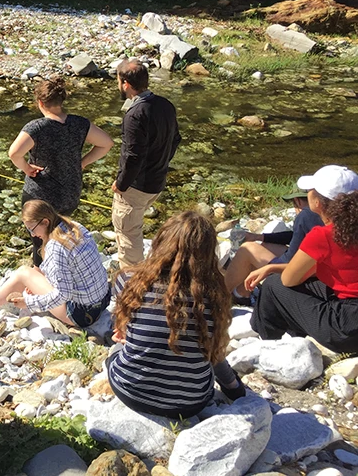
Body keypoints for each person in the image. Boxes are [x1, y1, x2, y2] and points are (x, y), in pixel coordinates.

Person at [108, 212, 244, 418]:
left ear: (161, 242)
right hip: (190, 404)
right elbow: (214, 353)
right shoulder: (214, 297)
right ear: (208, 253)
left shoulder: (129, 281)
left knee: (115, 354)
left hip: (131, 392)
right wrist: (233, 386)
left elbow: (124, 327)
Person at [247, 166, 358, 353]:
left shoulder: (323, 235)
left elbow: (289, 280)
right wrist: (273, 267)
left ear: (317, 203)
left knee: (274, 286)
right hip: (350, 312)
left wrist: (273, 270)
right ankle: (292, 334)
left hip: (346, 329)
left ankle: (267, 345)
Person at [8, 76, 114, 265]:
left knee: (40, 241)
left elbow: (14, 153)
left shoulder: (37, 127)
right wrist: (83, 162)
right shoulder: (80, 124)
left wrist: (26, 168)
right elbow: (106, 144)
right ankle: (61, 269)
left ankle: (42, 277)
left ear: (40, 102)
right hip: (69, 193)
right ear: (61, 101)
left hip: (41, 196)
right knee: (59, 236)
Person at [0, 200, 110, 327]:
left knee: (23, 272)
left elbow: (62, 295)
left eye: (32, 229)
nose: (33, 235)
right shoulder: (74, 226)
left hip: (83, 315)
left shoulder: (56, 246)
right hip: (104, 301)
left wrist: (28, 302)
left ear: (45, 222)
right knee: (34, 276)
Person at [112, 58, 181, 269]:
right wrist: (161, 164)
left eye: (118, 81)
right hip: (157, 182)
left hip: (136, 187)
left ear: (126, 84)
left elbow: (132, 156)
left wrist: (121, 184)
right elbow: (176, 139)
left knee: (128, 235)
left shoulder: (134, 115)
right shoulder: (165, 105)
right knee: (136, 224)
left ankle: (133, 281)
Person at [224, 188, 323, 300]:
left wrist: (268, 268)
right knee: (268, 246)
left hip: (298, 275)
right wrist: (259, 237)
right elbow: (294, 236)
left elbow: (289, 261)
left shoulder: (304, 215)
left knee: (248, 249)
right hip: (316, 270)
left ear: (297, 201)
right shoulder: (322, 213)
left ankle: (224, 296)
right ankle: (242, 293)